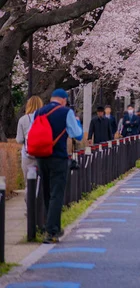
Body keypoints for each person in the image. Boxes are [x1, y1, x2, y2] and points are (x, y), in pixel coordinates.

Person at [34, 88, 83, 243]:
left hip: (41, 157)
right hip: (58, 157)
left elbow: (31, 133)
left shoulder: (39, 112)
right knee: (57, 193)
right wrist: (76, 121)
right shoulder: (65, 112)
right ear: (63, 99)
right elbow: (77, 134)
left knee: (47, 192)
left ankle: (49, 226)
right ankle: (52, 231)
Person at [16, 95, 43, 201]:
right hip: (42, 155)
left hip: (27, 155)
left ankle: (30, 208)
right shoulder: (44, 118)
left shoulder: (23, 120)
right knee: (41, 181)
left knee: (29, 182)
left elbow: (19, 139)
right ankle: (41, 209)